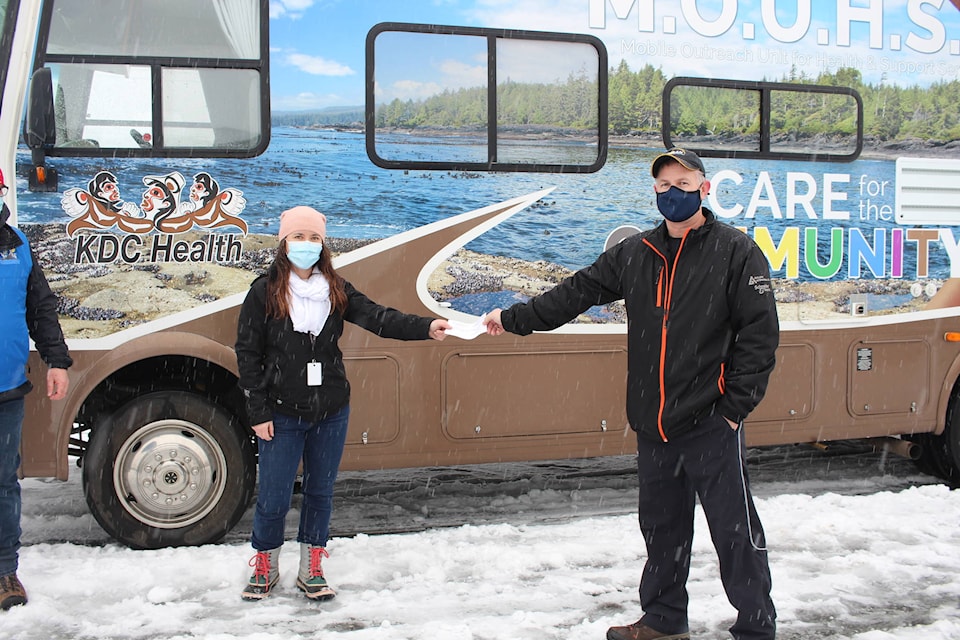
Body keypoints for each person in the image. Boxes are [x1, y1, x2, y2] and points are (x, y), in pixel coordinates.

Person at [483, 148, 779, 640]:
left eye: (683, 183)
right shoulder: (637, 252)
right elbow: (577, 292)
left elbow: (760, 336)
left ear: (705, 188)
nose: (672, 193)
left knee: (734, 532)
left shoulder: (736, 251)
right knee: (662, 530)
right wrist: (514, 318)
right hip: (653, 421)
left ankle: (756, 626)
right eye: (663, 185)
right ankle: (663, 619)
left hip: (710, 420)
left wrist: (733, 410)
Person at [235, 205, 451, 601]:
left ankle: (311, 567)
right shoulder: (263, 292)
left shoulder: (336, 288)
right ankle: (265, 564)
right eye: (298, 237)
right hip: (281, 412)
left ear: (323, 244)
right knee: (274, 495)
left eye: (314, 238)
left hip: (331, 410)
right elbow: (247, 354)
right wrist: (258, 411)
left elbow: (379, 318)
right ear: (284, 243)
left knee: (320, 492)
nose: (306, 244)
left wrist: (425, 326)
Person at [0, 168, 72, 611]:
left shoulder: (18, 246)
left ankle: (6, 571)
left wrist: (57, 360)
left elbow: (40, 308)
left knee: (4, 483)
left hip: (7, 389)